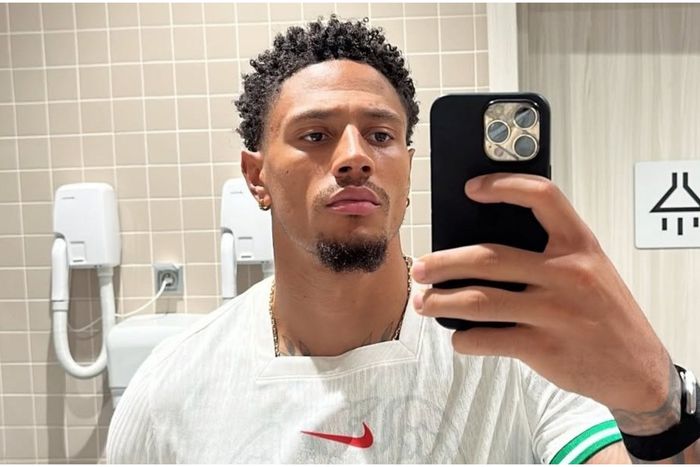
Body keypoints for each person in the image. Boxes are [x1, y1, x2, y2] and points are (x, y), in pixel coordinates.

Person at [106, 16, 699, 463]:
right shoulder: (171, 388)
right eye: (315, 135)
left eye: (380, 135)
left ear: (409, 167)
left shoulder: (513, 348)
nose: (355, 157)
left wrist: (655, 403)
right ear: (256, 176)